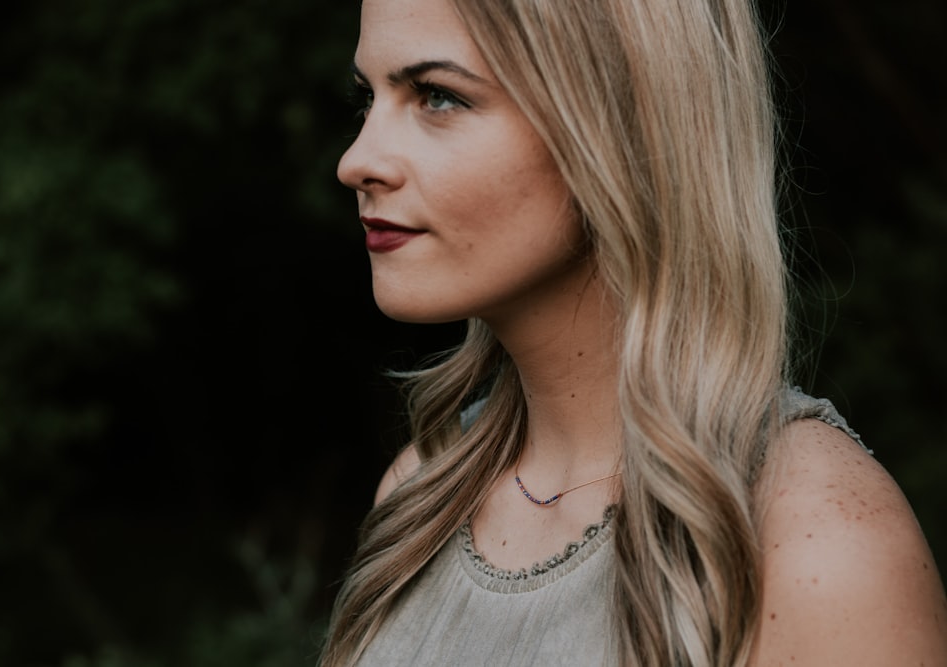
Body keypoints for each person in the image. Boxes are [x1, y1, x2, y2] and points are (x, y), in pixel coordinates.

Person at [320, 0, 947, 664]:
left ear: (621, 122)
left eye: (438, 96)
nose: (357, 160)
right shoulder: (422, 491)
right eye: (369, 97)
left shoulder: (817, 542)